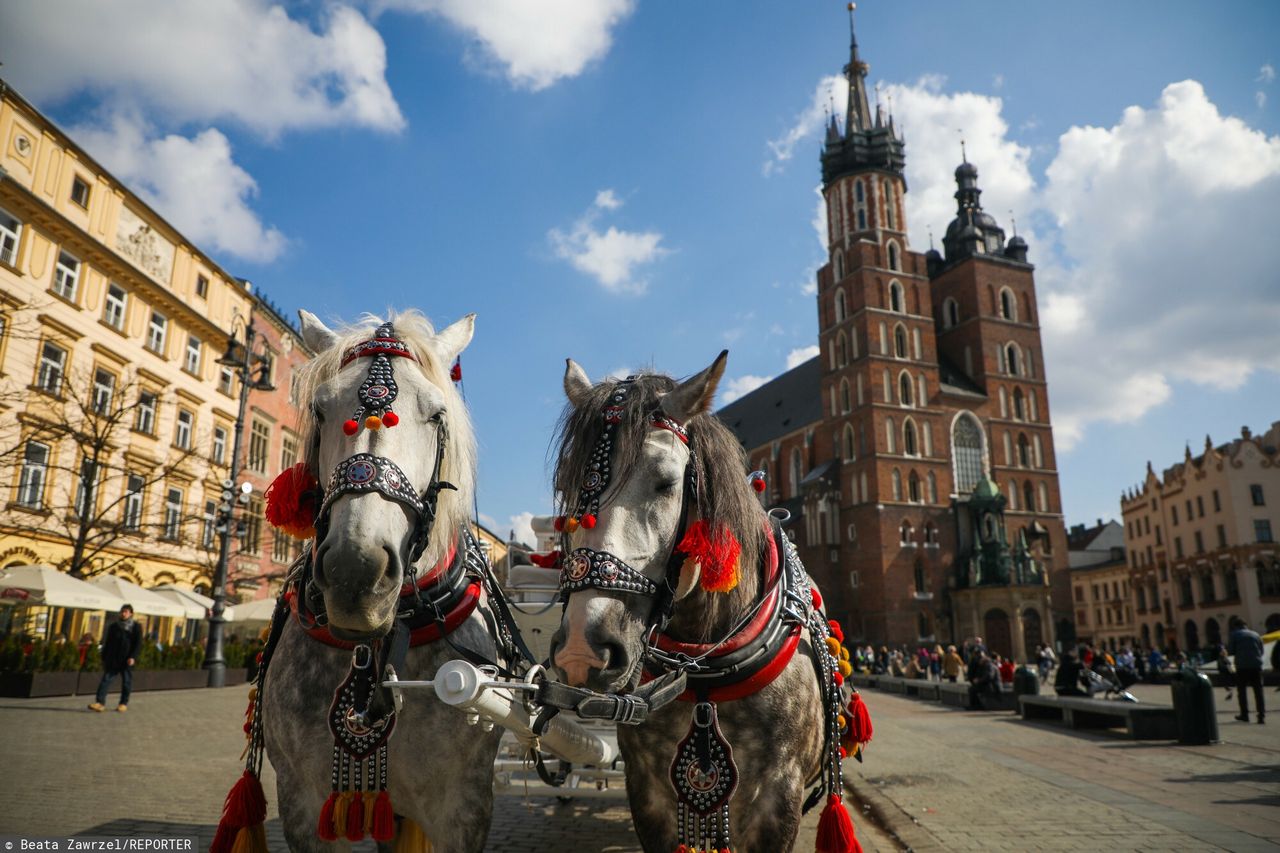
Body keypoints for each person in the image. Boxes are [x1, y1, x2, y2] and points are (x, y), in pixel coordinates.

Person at [87, 604, 142, 713]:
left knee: (126, 682)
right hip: (114, 659)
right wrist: (104, 656)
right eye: (122, 611)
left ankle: (123, 703)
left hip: (127, 660)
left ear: (131, 614)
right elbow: (108, 643)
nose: (123, 613)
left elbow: (138, 643)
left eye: (126, 612)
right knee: (106, 680)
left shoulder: (135, 627)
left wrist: (133, 657)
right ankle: (100, 703)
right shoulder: (114, 626)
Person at [1227, 616, 1265, 724]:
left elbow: (1231, 651)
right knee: (1258, 692)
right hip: (1256, 666)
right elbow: (1261, 651)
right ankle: (1261, 716)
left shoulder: (1234, 635)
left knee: (1242, 691)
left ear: (1236, 626)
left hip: (1242, 666)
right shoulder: (1256, 634)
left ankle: (1245, 715)